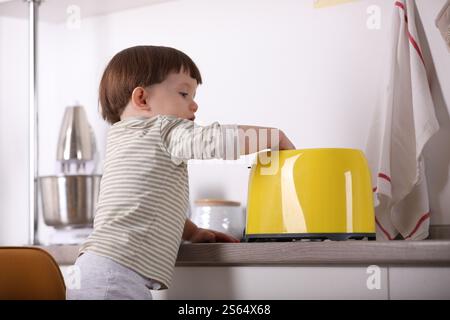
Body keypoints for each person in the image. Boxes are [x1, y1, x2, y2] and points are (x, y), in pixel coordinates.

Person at [66, 45, 295, 300]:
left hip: (98, 269)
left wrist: (192, 231)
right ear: (142, 99)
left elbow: (147, 202)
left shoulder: (122, 139)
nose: (194, 105)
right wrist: (273, 136)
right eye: (184, 93)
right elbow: (214, 140)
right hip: (115, 275)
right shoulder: (162, 128)